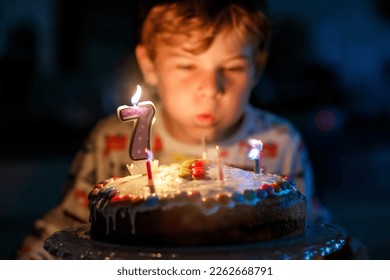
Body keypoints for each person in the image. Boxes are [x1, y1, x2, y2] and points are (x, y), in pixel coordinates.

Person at [15, 0, 329, 259]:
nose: (209, 88)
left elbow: (310, 234)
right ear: (149, 64)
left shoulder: (280, 143)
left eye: (232, 68)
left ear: (257, 67)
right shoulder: (111, 141)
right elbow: (64, 230)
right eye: (186, 66)